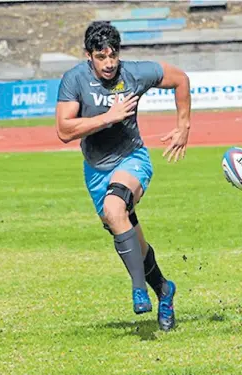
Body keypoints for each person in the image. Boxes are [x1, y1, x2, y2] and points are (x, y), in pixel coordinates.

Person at [55, 21, 191, 331]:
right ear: (88, 55)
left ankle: (138, 288)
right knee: (125, 231)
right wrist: (108, 117)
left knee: (115, 209)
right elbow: (64, 130)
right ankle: (164, 290)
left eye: (113, 55)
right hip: (95, 169)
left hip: (132, 159)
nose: (109, 63)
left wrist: (183, 126)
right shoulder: (74, 79)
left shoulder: (134, 74)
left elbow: (180, 79)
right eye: (101, 57)